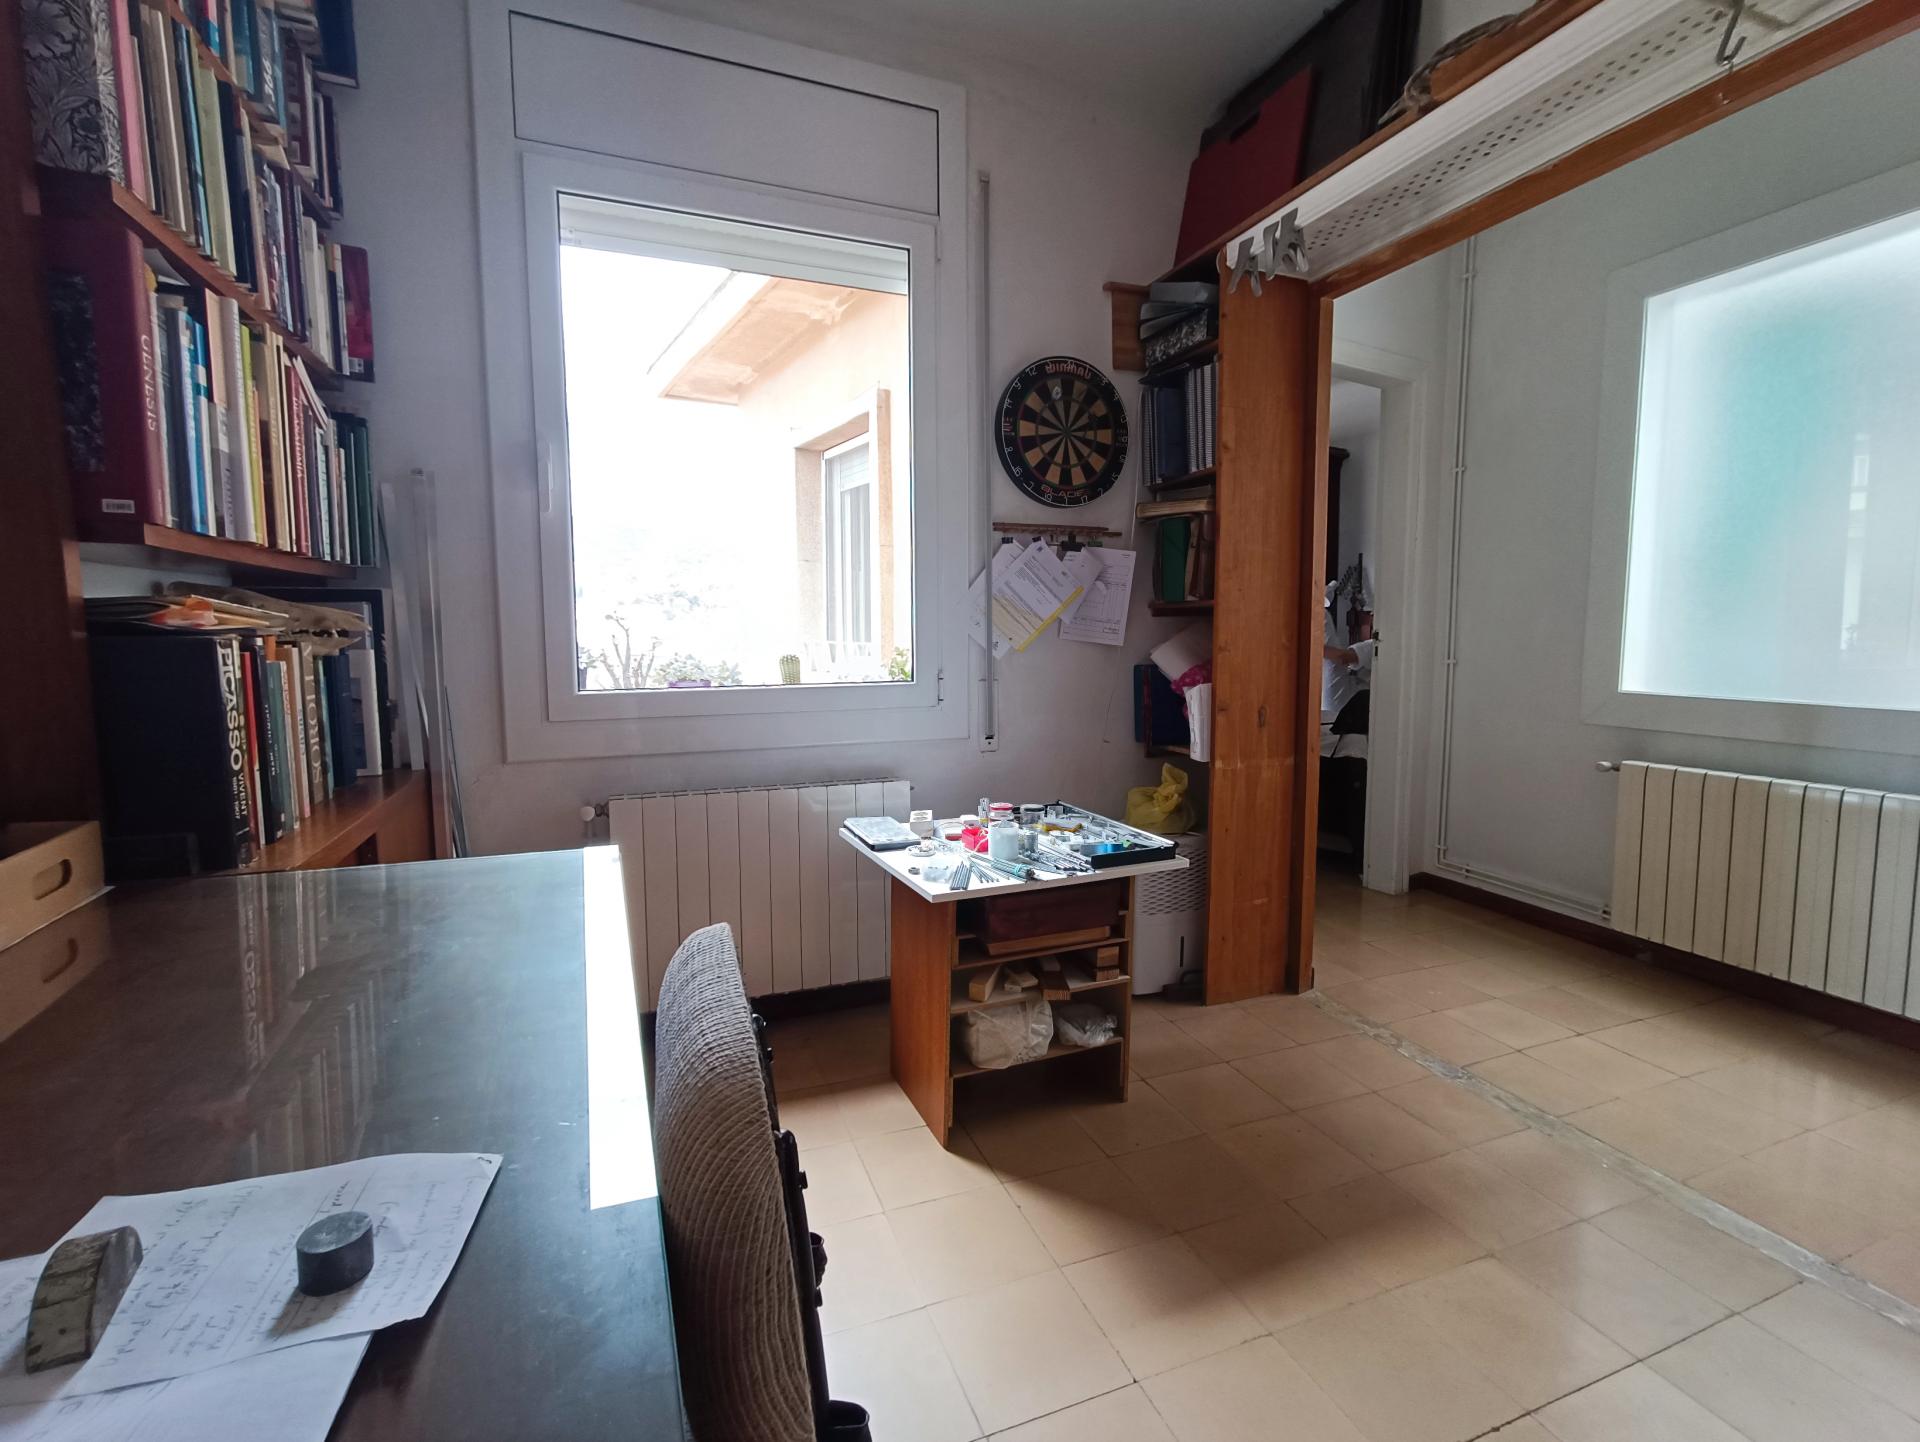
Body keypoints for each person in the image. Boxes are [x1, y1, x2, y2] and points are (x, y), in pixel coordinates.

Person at [1322, 586, 1372, 735]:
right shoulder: (1376, 646)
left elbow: (1343, 658)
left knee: (1321, 619)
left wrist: (1311, 648)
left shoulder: (1375, 645)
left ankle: (1319, 603)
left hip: (1341, 705)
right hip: (1346, 705)